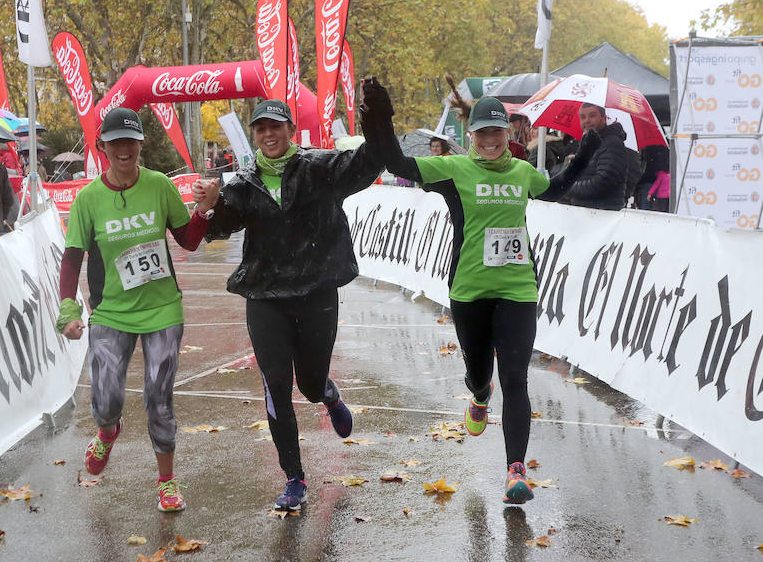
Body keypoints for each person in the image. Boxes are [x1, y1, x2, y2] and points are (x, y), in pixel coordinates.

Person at [362, 81, 596, 504]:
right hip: (468, 291)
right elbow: (396, 161)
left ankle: (516, 472)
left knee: (517, 378)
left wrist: (589, 148)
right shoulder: (453, 169)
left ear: (510, 135)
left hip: (517, 288)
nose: (490, 141)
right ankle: (479, 395)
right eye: (482, 134)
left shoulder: (524, 172)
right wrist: (378, 115)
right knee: (480, 375)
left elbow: (558, 188)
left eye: (497, 133)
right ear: (471, 137)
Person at [192, 98, 383, 511]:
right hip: (265, 298)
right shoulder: (243, 182)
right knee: (276, 384)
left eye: (275, 126)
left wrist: (378, 125)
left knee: (309, 386)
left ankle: (328, 394)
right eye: (260, 129)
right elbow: (219, 230)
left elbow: (367, 165)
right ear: (256, 135)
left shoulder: (320, 168)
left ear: (290, 129)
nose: (268, 134)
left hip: (316, 293)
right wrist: (209, 207)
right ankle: (294, 478)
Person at [56, 107, 217, 513]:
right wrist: (68, 309)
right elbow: (72, 259)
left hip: (163, 309)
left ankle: (167, 480)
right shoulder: (88, 200)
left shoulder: (160, 186)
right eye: (115, 142)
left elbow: (189, 241)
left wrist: (206, 210)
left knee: (158, 398)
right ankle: (107, 433)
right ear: (103, 147)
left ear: (141, 144)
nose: (124, 149)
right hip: (111, 313)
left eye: (131, 141)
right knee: (106, 400)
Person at [560, 103, 637, 210]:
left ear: (604, 118)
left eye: (592, 115)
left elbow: (602, 183)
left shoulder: (612, 144)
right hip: (587, 213)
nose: (586, 120)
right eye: (582, 117)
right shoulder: (588, 144)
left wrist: (568, 187)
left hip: (603, 215)